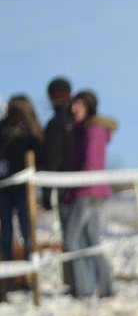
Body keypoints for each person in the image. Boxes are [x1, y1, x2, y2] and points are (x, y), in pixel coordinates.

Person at [63, 89, 117, 298]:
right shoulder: (81, 131)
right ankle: (103, 287)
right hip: (88, 191)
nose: (75, 108)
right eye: (74, 104)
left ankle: (85, 289)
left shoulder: (92, 130)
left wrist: (74, 188)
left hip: (87, 191)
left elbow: (91, 164)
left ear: (88, 108)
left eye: (80, 105)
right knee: (90, 239)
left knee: (72, 239)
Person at [39, 77, 76, 285]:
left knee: (70, 237)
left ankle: (73, 281)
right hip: (81, 185)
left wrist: (46, 192)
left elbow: (51, 160)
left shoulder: (55, 125)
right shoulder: (78, 121)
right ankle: (78, 281)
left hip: (64, 187)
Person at [0, 95, 43, 262]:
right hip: (3, 187)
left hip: (24, 187)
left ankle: (30, 266)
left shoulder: (32, 132)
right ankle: (8, 271)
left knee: (27, 229)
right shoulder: (2, 129)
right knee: (6, 232)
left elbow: (40, 156)